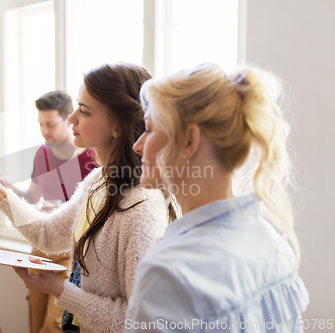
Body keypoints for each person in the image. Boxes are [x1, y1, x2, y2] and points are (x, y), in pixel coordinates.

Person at [0, 63, 169, 333]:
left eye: (84, 111)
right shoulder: (97, 181)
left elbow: (142, 322)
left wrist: (61, 290)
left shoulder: (142, 207)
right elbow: (48, 235)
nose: (72, 118)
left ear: (117, 127)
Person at [126, 63, 309, 332]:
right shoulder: (272, 240)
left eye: (150, 129)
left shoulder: (168, 274)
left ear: (189, 140)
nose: (138, 145)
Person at [2, 90, 95, 333]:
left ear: (69, 121)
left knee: (53, 325)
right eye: (41, 124)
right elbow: (32, 197)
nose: (45, 131)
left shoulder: (92, 157)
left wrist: (59, 210)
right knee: (35, 319)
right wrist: (6, 188)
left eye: (50, 124)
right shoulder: (43, 153)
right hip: (41, 245)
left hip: (71, 250)